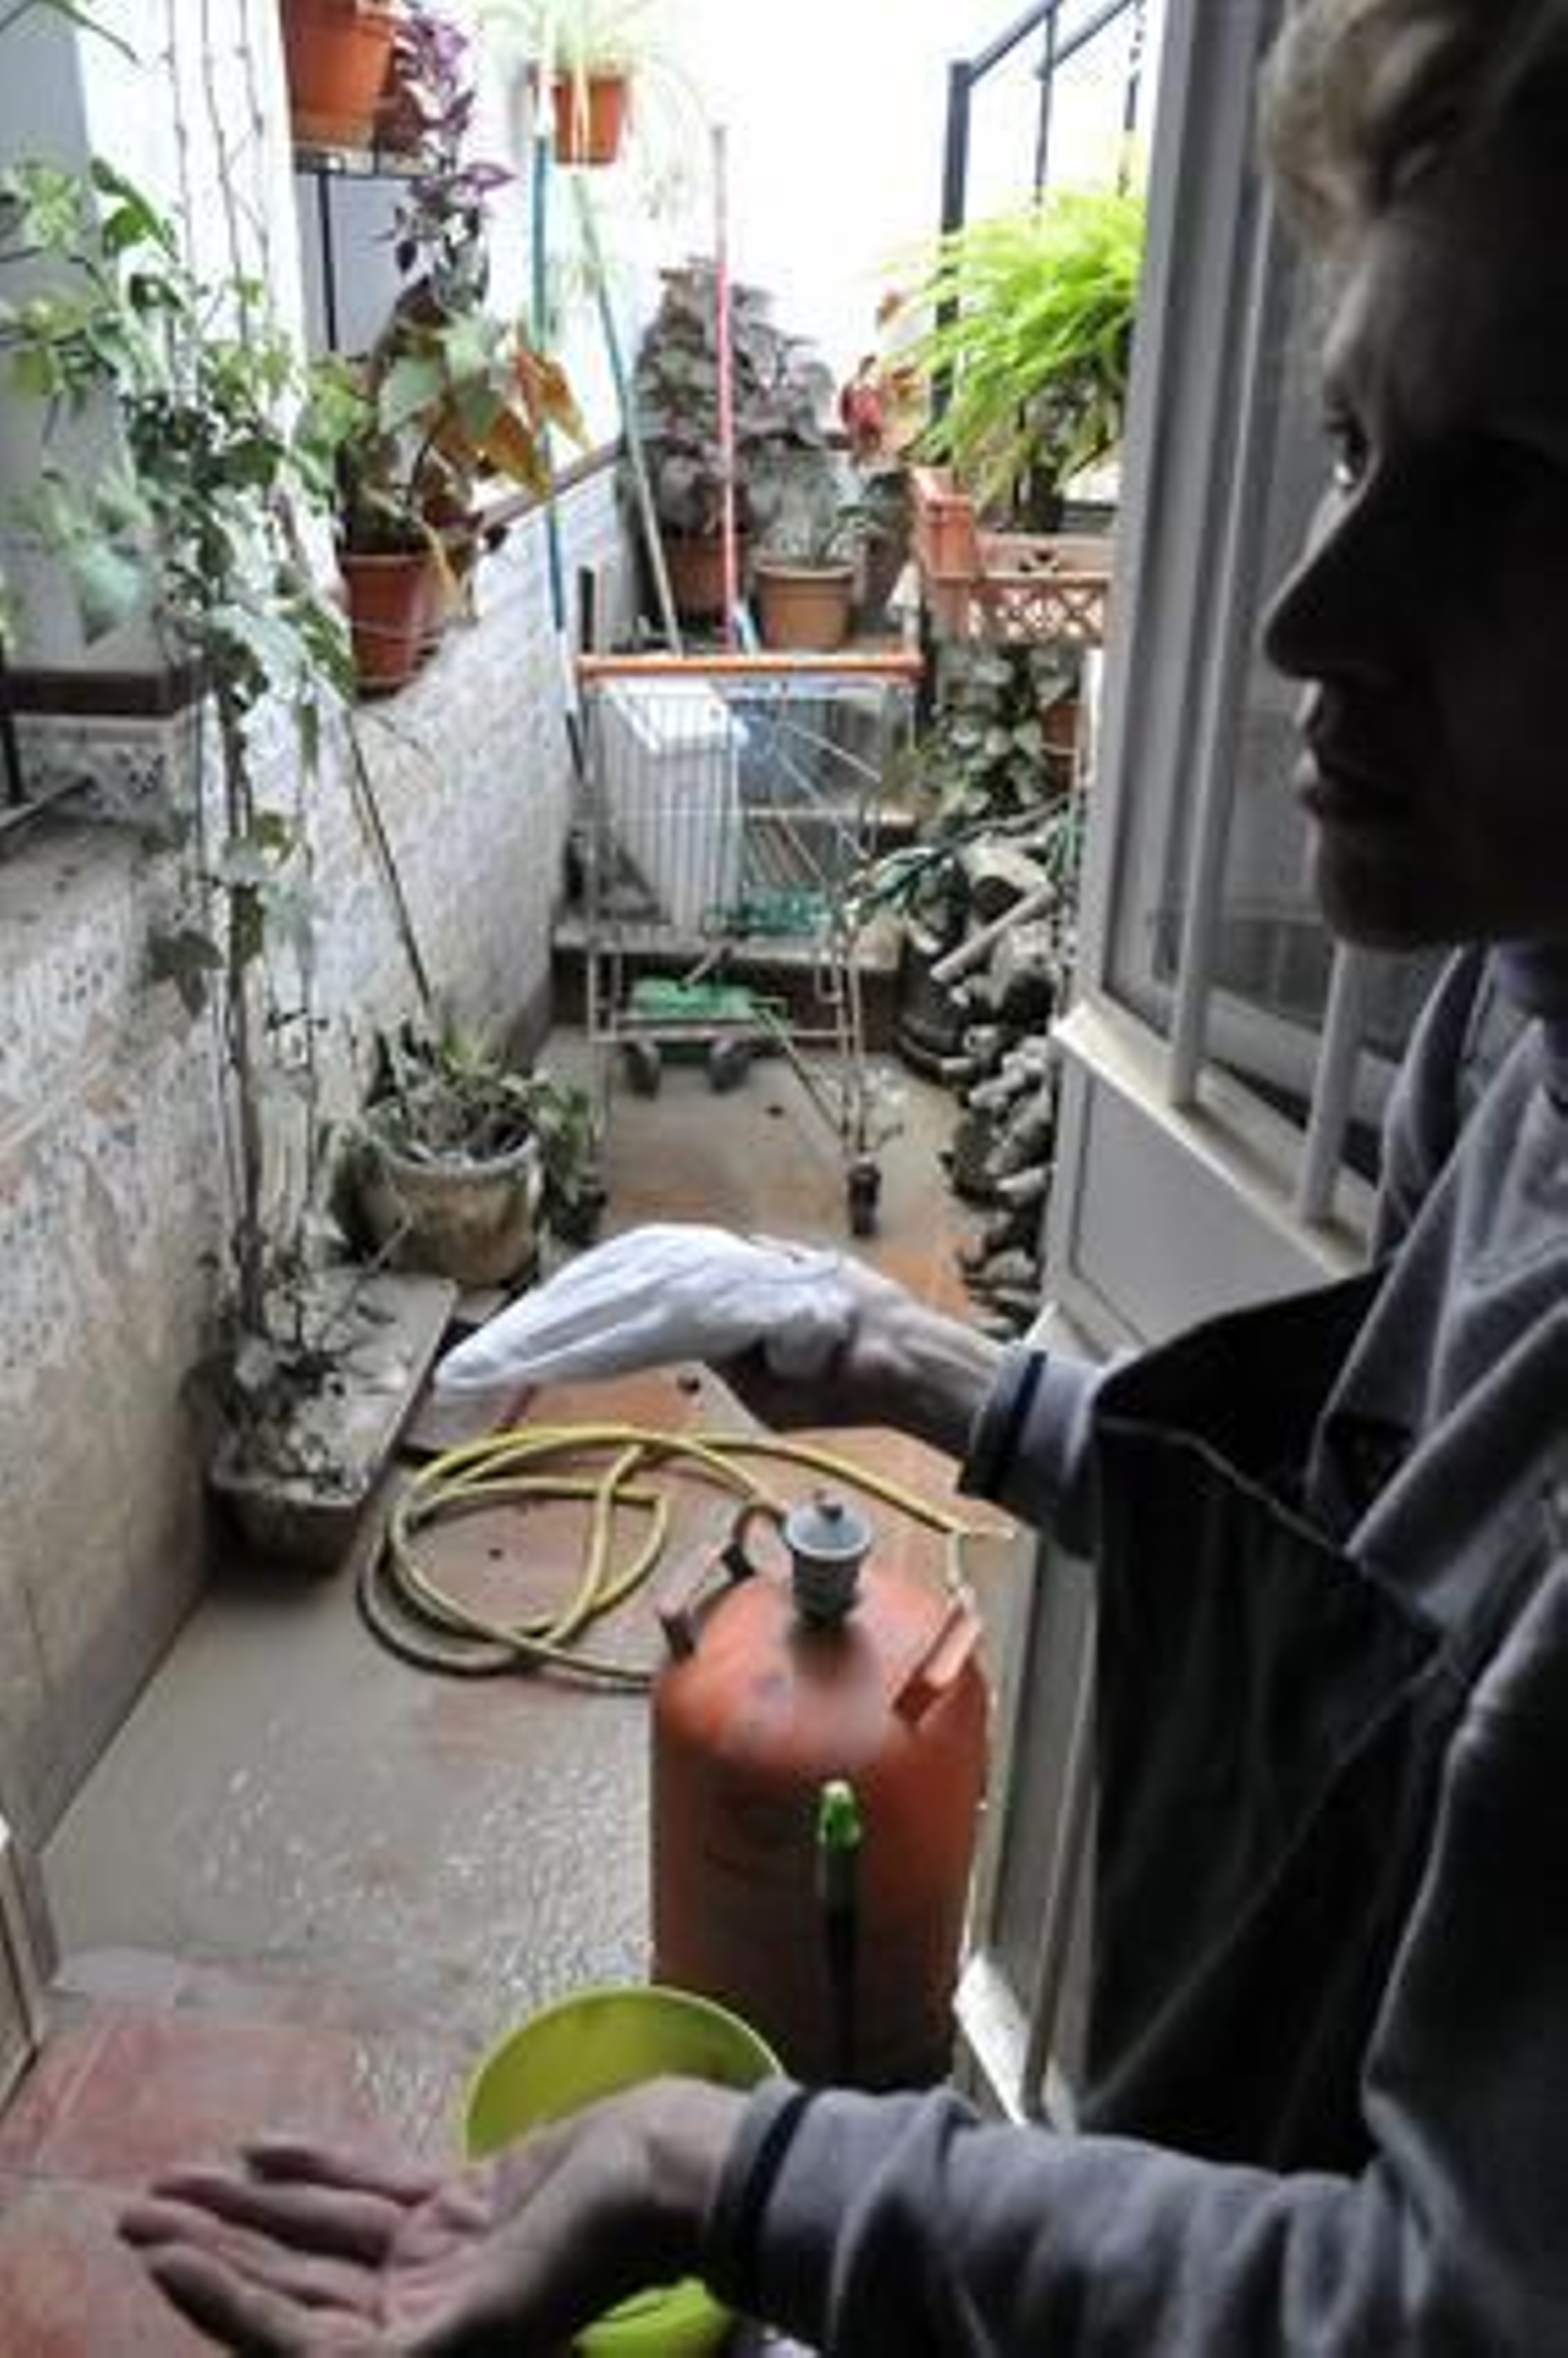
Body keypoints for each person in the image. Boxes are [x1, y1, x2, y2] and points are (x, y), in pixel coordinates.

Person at [119, 1, 1568, 2349]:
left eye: (1510, 482)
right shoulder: (1504, 1023)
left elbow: (1443, 2303)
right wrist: (900, 1361)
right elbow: (1352, 1578)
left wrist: (736, 2157)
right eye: (1344, 441)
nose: (1304, 615)